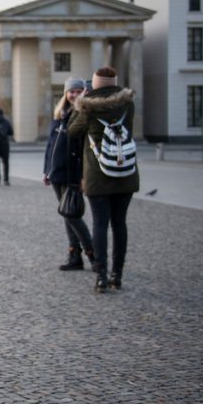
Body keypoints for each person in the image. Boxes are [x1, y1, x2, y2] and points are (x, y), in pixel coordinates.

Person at [68, 66, 139, 293]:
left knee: (100, 223)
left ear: (95, 84)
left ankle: (100, 275)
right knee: (120, 223)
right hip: (125, 171)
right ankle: (117, 275)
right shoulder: (127, 103)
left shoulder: (87, 106)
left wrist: (82, 106)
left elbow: (73, 131)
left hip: (98, 174)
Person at [43, 78, 94, 271]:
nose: (73, 95)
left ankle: (93, 253)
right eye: (71, 91)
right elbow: (51, 146)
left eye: (78, 91)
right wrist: (46, 170)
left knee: (72, 215)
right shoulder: (60, 115)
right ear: (65, 94)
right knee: (66, 214)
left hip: (72, 173)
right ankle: (75, 256)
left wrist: (83, 176)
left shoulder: (82, 114)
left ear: (84, 93)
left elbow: (85, 150)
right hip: (56, 172)